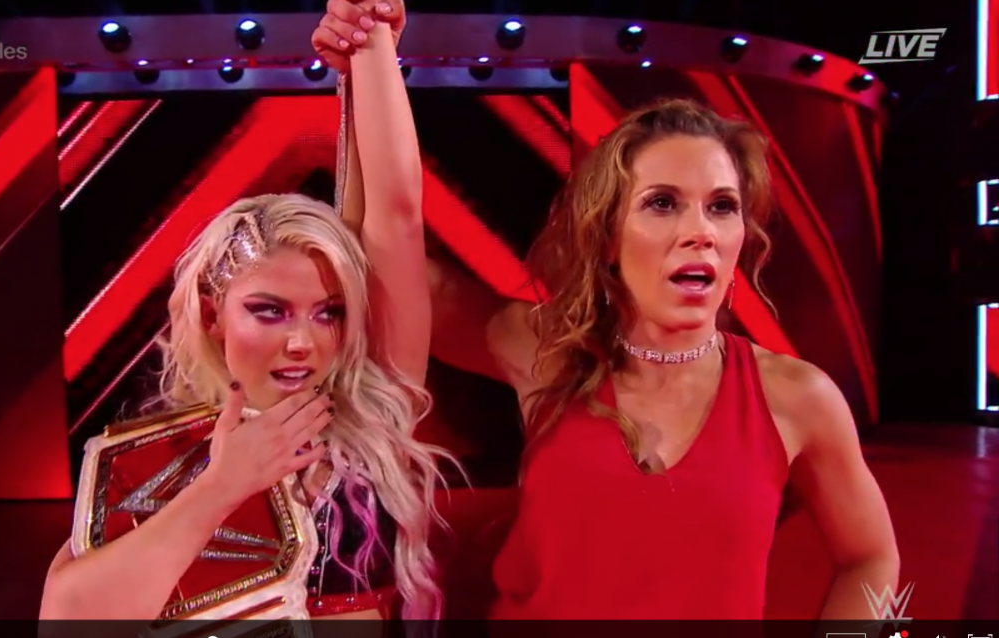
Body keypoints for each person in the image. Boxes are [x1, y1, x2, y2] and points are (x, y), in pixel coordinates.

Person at [314, 1, 900, 620]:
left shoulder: (798, 396)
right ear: (608, 236)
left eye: (722, 206)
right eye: (663, 203)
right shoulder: (546, 352)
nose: (700, 231)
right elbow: (376, 254)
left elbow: (871, 557)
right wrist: (365, 68)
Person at [39, 11, 454, 623]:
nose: (302, 342)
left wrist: (368, 37)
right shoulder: (154, 458)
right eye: (269, 311)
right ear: (213, 317)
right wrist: (222, 487)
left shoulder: (370, 420)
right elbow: (70, 621)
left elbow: (395, 214)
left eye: (329, 313)